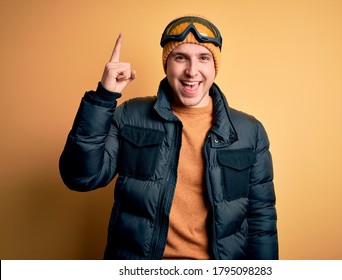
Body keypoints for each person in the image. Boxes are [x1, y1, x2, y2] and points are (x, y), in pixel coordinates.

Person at [59, 15, 278, 260]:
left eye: (203, 58)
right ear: (166, 64)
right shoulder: (130, 115)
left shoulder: (249, 131)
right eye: (180, 57)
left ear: (215, 66)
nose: (191, 71)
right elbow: (81, 177)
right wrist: (103, 98)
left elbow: (261, 220)